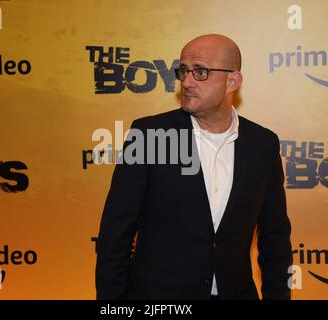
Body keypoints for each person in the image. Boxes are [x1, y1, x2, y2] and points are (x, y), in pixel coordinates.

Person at [96, 34, 292, 300]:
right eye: (183, 71)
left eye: (200, 72)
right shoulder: (149, 134)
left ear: (232, 81)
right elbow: (115, 233)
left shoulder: (262, 144)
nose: (186, 82)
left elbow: (275, 238)